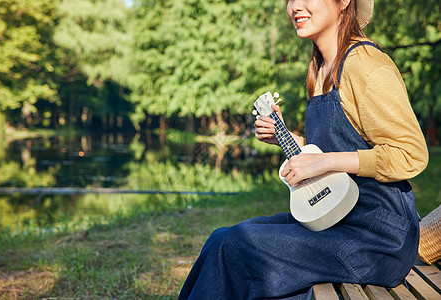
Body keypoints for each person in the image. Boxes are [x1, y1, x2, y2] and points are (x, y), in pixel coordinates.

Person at [178, 0, 429, 298]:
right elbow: (335, 149)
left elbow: (411, 154)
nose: (296, 6)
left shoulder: (364, 63)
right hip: (333, 219)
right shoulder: (320, 70)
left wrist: (322, 163)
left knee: (232, 247)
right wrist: (286, 138)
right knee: (220, 239)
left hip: (376, 238)